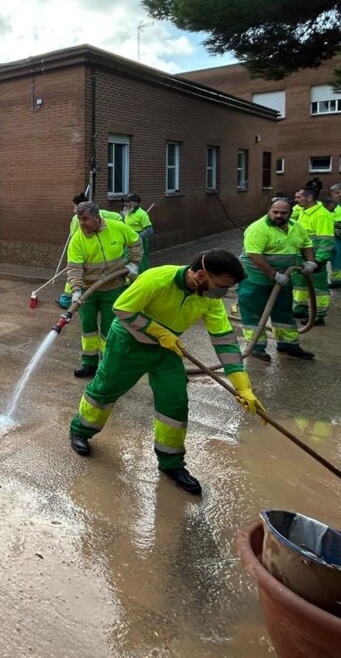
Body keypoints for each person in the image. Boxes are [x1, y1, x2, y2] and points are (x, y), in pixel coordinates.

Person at [69, 250, 263, 497]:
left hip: (167, 350)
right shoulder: (157, 279)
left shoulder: (209, 298)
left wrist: (242, 386)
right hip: (129, 343)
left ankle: (172, 463)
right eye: (221, 286)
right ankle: (80, 430)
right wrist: (159, 332)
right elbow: (122, 309)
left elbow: (224, 340)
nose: (222, 294)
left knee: (175, 403)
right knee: (105, 392)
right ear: (201, 275)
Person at [66, 202, 142, 378]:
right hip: (88, 293)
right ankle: (89, 363)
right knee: (88, 329)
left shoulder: (117, 228)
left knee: (109, 330)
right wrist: (76, 290)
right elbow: (74, 267)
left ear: (96, 217)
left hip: (113, 288)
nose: (81, 223)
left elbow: (136, 241)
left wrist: (134, 263)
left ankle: (106, 364)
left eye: (84, 219)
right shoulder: (78, 239)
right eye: (79, 219)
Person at [238, 198, 318, 360]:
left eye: (283, 212)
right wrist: (273, 274)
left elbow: (306, 244)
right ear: (269, 210)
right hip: (256, 279)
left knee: (284, 310)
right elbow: (254, 255)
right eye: (275, 212)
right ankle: (256, 347)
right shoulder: (258, 228)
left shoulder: (296, 227)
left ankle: (288, 345)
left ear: (290, 213)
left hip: (284, 276)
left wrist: (310, 261)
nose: (279, 216)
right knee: (254, 312)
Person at [290, 187, 335, 326]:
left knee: (318, 288)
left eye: (299, 197)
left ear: (309, 198)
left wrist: (319, 260)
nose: (295, 200)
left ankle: (318, 315)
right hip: (301, 257)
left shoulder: (322, 215)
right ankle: (300, 309)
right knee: (300, 285)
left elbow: (326, 240)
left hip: (314, 259)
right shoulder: (304, 211)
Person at [121, 193, 154, 270]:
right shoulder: (127, 212)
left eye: (128, 202)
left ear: (135, 203)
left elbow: (149, 230)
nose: (125, 204)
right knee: (127, 259)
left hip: (139, 240)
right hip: (128, 240)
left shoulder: (142, 214)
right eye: (125, 202)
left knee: (140, 261)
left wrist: (137, 237)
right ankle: (129, 279)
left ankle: (141, 277)